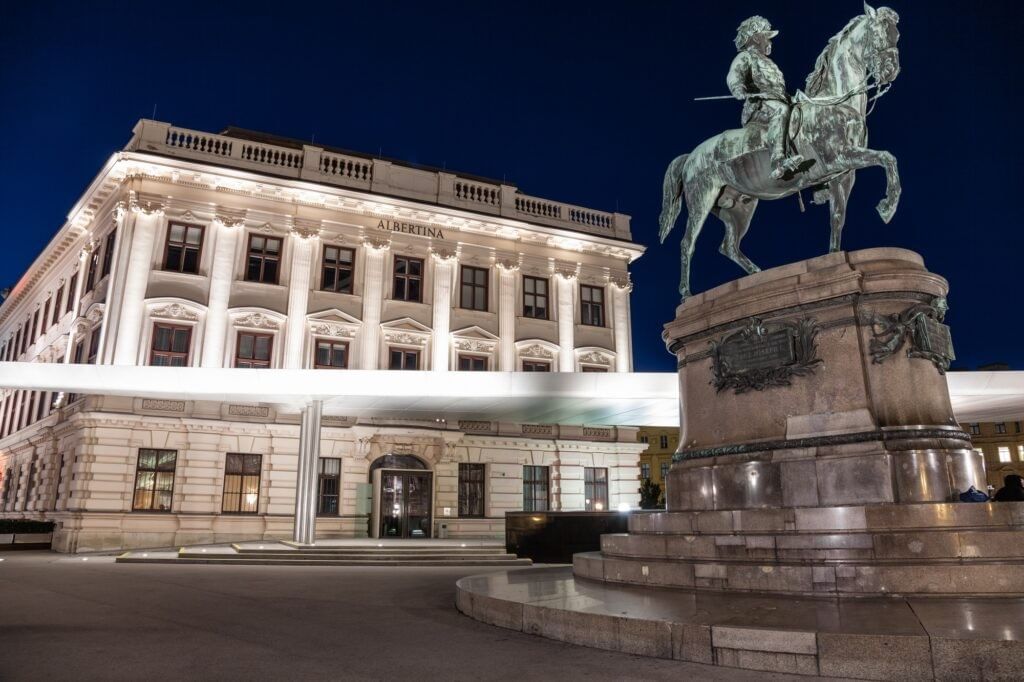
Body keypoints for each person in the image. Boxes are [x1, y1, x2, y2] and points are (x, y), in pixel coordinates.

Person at [727, 16, 804, 180]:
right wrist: (738, 89)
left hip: (777, 101)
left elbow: (777, 90)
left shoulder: (769, 63)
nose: (770, 41)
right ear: (756, 37)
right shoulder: (745, 57)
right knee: (780, 110)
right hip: (758, 108)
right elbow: (734, 74)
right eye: (767, 36)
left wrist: (792, 98)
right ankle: (778, 161)